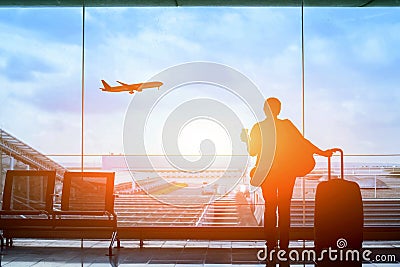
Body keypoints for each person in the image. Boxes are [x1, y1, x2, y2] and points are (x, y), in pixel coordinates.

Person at [241, 97, 333, 252]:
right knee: (285, 209)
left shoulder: (258, 127)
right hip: (285, 173)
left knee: (270, 208)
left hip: (267, 174)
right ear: (279, 110)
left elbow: (252, 152)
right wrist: (322, 153)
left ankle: (270, 245)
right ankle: (284, 245)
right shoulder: (287, 125)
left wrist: (246, 140)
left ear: (265, 110)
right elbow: (303, 142)